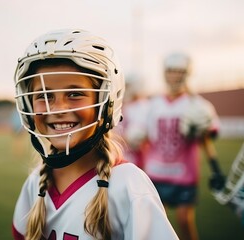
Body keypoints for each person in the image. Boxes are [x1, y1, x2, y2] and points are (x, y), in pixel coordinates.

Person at [12, 29, 178, 240]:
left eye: (74, 94)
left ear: (107, 101)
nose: (57, 109)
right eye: (44, 95)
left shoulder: (129, 185)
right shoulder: (35, 183)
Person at [142, 52, 225, 240]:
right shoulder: (154, 104)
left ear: (187, 73)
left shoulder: (198, 105)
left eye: (179, 71)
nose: (174, 75)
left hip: (183, 175)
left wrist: (215, 169)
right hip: (156, 172)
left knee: (184, 221)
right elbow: (146, 139)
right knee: (151, 224)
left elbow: (207, 139)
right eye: (171, 71)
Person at [113, 72, 149, 169]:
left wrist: (116, 138)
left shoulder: (143, 106)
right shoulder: (120, 106)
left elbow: (134, 138)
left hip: (135, 160)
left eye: (128, 85)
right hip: (118, 158)